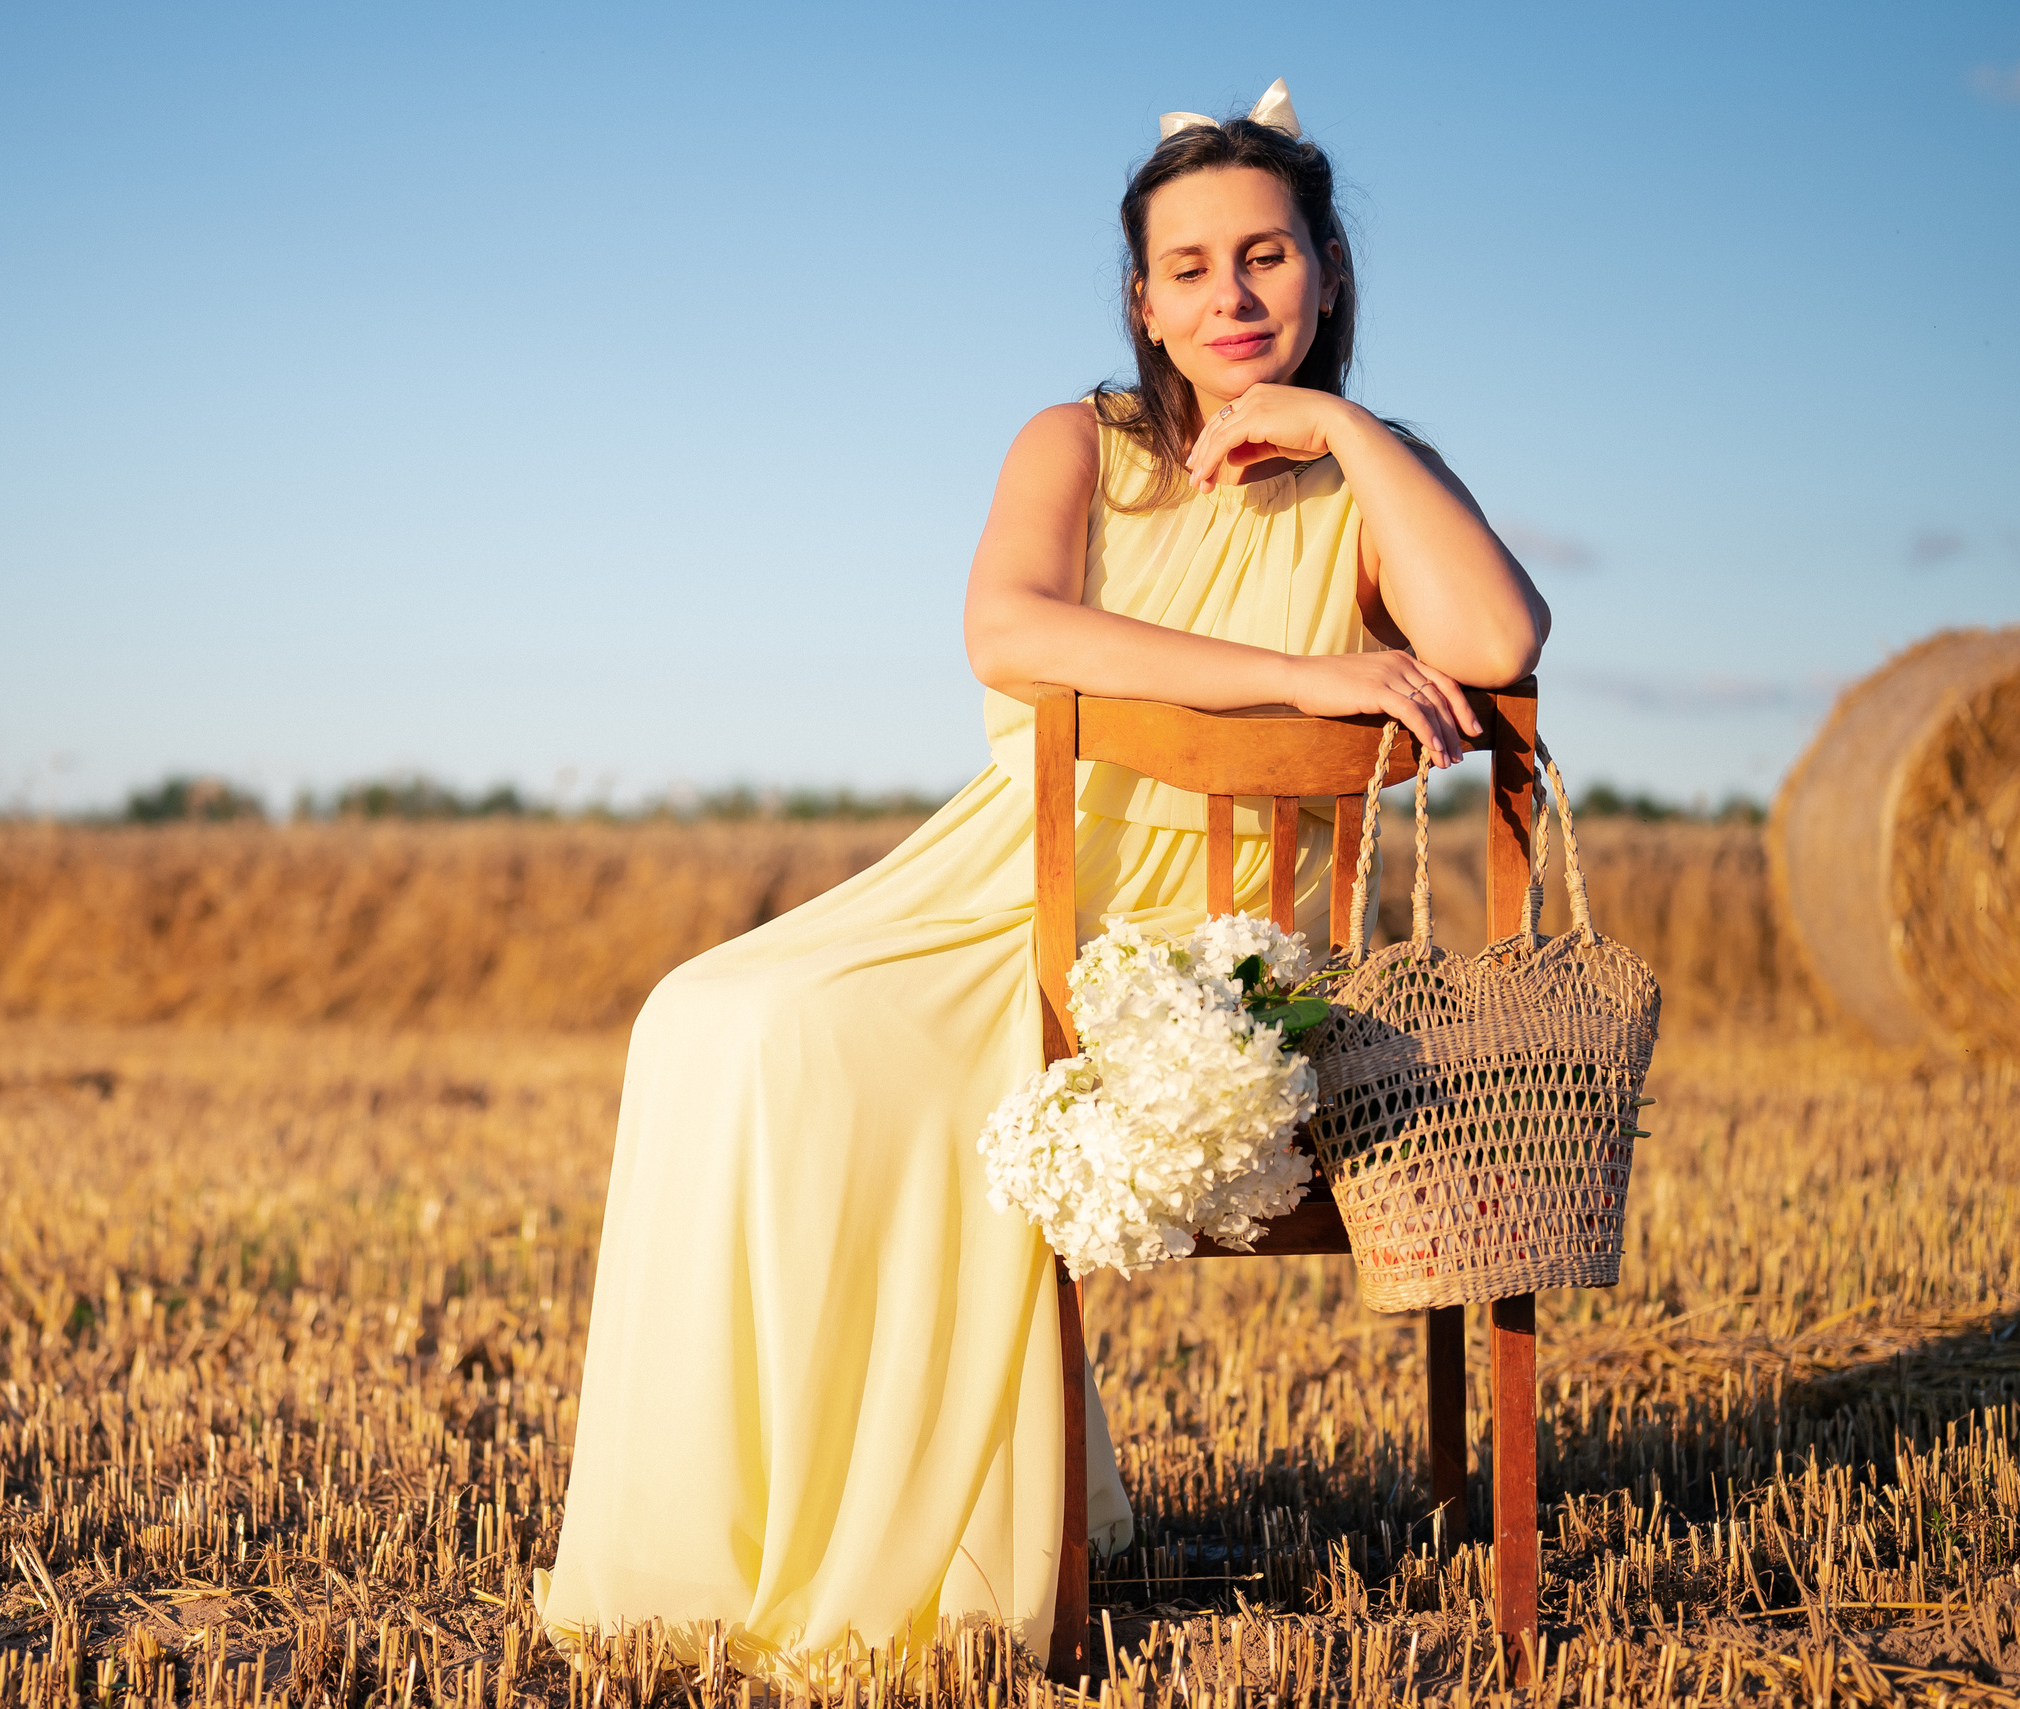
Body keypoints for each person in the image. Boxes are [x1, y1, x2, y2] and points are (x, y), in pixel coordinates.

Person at [536, 81, 1550, 1676]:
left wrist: (1351, 430)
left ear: (1329, 271)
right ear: (1142, 298)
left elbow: (1499, 644)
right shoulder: (1074, 442)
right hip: (1005, 876)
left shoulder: (1374, 479)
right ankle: (737, 1529)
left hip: (1201, 946)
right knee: (707, 1018)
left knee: (836, 1049)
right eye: (1193, 265)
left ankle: (928, 1545)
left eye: (1269, 255)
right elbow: (1006, 629)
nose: (1232, 294)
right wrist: (1303, 680)